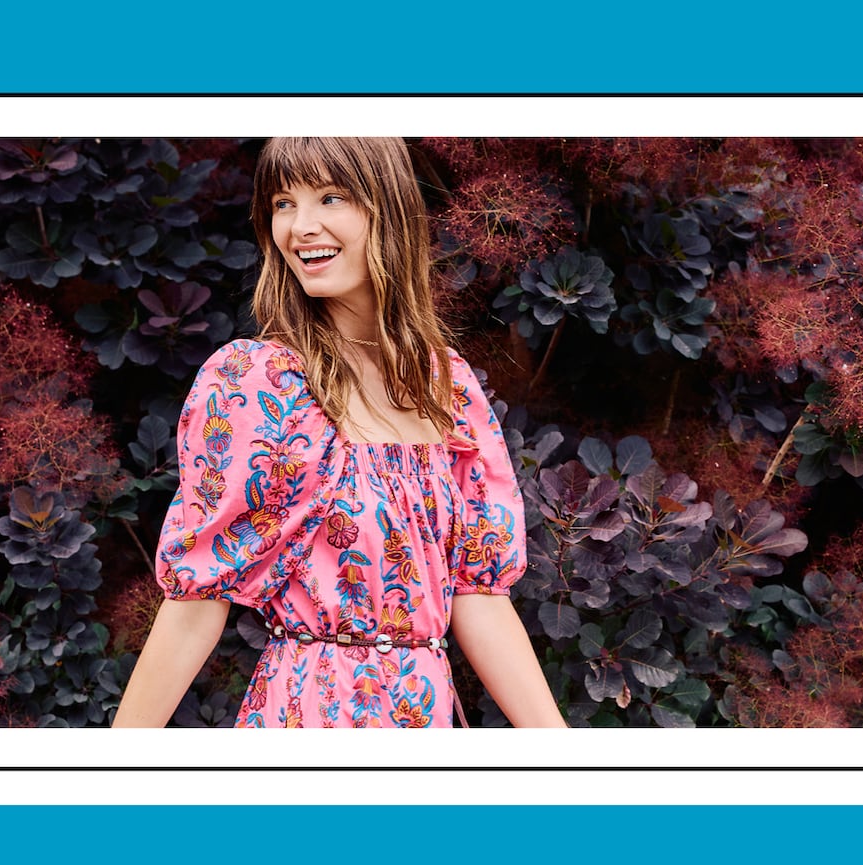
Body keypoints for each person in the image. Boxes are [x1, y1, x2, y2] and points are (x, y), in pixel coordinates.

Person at [113, 137, 566, 728]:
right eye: (283, 202)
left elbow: (479, 596)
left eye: (331, 197)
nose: (302, 227)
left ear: (389, 209)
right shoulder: (259, 383)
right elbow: (197, 599)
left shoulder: (445, 385)